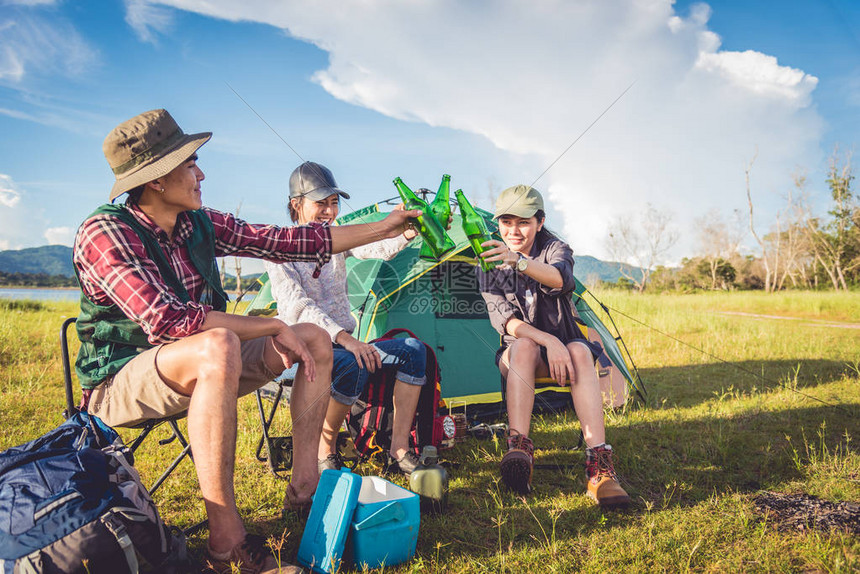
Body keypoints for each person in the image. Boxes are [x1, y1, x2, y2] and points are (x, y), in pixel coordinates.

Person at [73, 110, 420, 574]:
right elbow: (169, 319)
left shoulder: (197, 223)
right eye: (190, 163)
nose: (201, 173)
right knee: (219, 343)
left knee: (315, 337)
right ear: (156, 179)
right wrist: (272, 325)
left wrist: (387, 226)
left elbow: (284, 241)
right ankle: (226, 543)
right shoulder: (106, 231)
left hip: (208, 361)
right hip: (121, 382)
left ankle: (304, 488)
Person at [266, 161, 429, 476]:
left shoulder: (334, 241)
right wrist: (346, 338)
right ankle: (324, 450)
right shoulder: (279, 248)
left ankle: (399, 448)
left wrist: (408, 231)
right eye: (320, 204)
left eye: (333, 203)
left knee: (413, 351)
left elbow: (376, 247)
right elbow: (297, 306)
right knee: (351, 362)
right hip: (302, 348)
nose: (329, 211)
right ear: (296, 205)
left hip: (344, 345)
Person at [476, 184, 630, 508]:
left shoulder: (557, 249)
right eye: (506, 222)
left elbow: (559, 279)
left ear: (539, 222)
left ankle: (599, 467)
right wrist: (547, 340)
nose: (513, 231)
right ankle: (518, 449)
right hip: (521, 355)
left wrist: (517, 261)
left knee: (579, 349)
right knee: (524, 346)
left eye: (523, 222)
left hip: (566, 351)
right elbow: (504, 321)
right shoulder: (487, 261)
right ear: (498, 223)